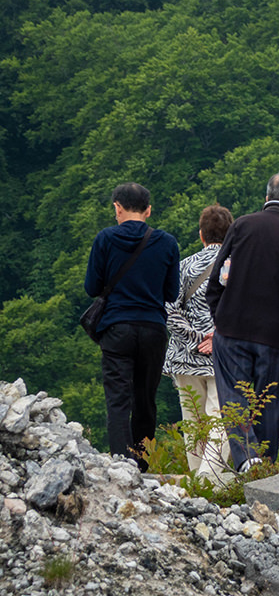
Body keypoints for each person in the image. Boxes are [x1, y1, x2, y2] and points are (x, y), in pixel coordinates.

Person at [205, 171, 279, 471]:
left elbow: (218, 277)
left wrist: (221, 315)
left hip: (232, 329)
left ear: (267, 198)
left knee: (234, 395)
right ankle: (264, 465)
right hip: (276, 335)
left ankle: (246, 459)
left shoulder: (242, 225)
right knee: (270, 402)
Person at [84, 182, 180, 467]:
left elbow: (92, 287)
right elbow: (172, 293)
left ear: (118, 207)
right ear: (148, 210)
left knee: (118, 399)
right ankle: (141, 463)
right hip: (152, 329)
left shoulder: (105, 239)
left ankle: (120, 462)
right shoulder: (167, 242)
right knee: (145, 399)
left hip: (116, 328)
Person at [164, 204, 233, 478]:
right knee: (221, 418)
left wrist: (194, 338)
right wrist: (217, 335)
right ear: (230, 234)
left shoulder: (182, 267)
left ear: (201, 235)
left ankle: (198, 481)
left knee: (192, 421)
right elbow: (243, 310)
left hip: (185, 357)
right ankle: (212, 477)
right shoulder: (236, 267)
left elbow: (168, 309)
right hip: (224, 356)